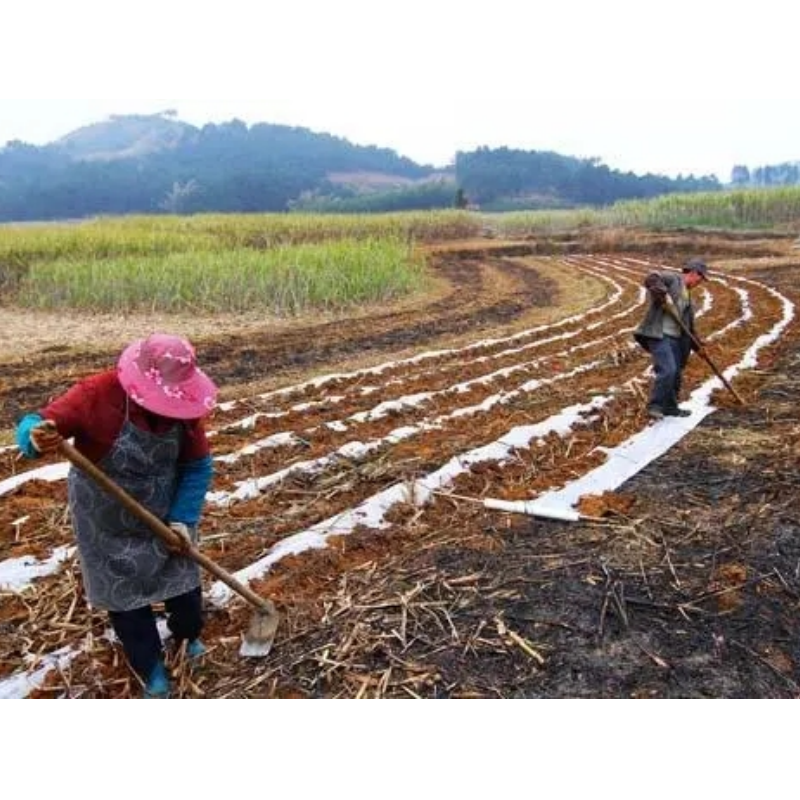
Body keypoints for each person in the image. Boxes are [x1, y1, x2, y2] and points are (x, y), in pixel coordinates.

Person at [15, 333, 217, 698]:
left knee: (184, 585)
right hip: (107, 521)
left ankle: (187, 636)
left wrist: (183, 519)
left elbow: (197, 466)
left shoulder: (185, 407)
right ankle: (150, 667)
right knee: (126, 600)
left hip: (165, 515)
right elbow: (36, 424)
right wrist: (34, 437)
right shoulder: (96, 394)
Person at [633, 257, 709, 420]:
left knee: (676, 374)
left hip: (676, 338)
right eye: (701, 278)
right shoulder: (673, 279)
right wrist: (661, 293)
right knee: (668, 370)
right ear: (694, 273)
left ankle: (670, 407)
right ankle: (655, 405)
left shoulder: (687, 295)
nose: (700, 283)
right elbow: (652, 277)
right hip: (659, 334)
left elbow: (688, 327)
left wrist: (698, 347)